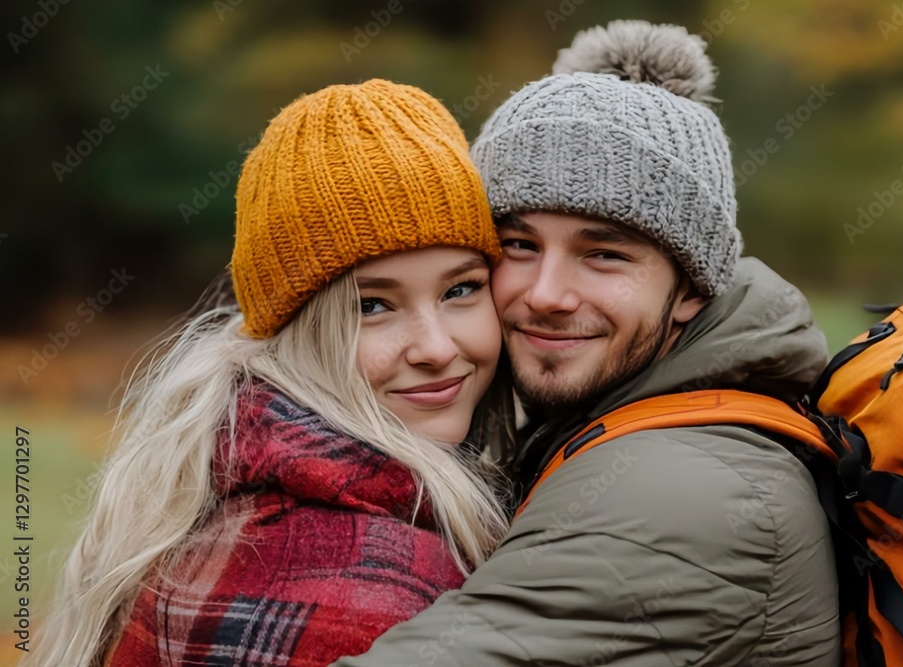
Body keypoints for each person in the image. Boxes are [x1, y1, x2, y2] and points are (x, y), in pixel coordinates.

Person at [333, 20, 840, 666]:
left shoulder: (679, 498)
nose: (546, 293)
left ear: (691, 287)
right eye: (518, 245)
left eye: (602, 253)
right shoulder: (612, 421)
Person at [27, 79, 516, 667]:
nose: (436, 348)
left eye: (461, 289)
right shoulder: (365, 583)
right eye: (372, 305)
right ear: (297, 331)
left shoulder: (227, 476)